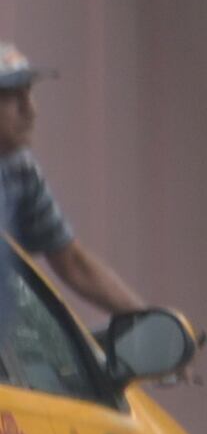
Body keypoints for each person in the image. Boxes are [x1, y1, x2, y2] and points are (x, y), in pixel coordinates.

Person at [0, 49, 144, 321]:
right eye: (11, 96)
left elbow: (73, 263)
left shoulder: (20, 172)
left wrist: (149, 324)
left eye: (28, 93)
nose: (30, 109)